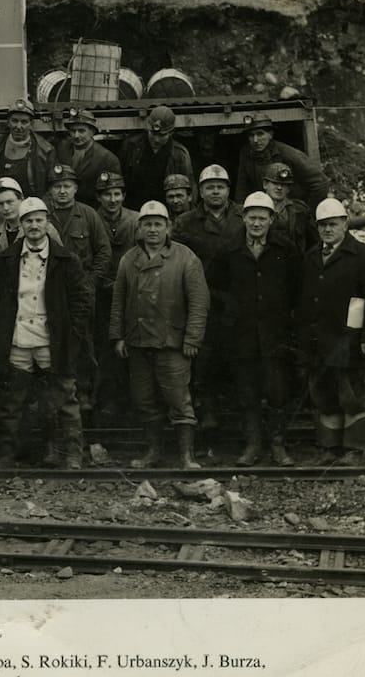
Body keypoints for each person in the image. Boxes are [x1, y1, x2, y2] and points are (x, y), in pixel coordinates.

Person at [0, 197, 93, 468]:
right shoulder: (5, 260)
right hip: (18, 339)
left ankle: (70, 455)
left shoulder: (66, 259)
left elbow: (82, 302)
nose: (34, 225)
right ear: (20, 225)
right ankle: (6, 456)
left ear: (47, 223)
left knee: (62, 399)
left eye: (39, 220)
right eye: (28, 221)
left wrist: (72, 336)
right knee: (12, 402)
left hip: (52, 342)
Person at [110, 200, 210, 470]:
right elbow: (118, 300)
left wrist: (192, 339)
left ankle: (187, 456)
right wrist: (118, 336)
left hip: (172, 343)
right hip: (138, 341)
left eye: (158, 224)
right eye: (147, 224)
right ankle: (153, 452)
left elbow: (199, 302)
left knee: (179, 399)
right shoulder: (129, 259)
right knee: (144, 399)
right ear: (139, 228)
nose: (152, 229)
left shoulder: (185, 257)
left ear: (168, 227)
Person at [296, 198, 365, 465]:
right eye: (322, 225)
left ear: (345, 224)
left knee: (351, 395)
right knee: (323, 394)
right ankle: (329, 447)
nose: (327, 229)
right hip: (318, 341)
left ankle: (353, 449)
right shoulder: (311, 257)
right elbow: (304, 302)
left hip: (349, 341)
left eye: (333, 224)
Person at [213, 192, 302, 466]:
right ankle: (252, 445)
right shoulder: (229, 249)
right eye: (252, 217)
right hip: (242, 336)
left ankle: (277, 446)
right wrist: (228, 314)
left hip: (276, 336)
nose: (256, 223)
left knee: (277, 391)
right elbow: (214, 288)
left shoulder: (285, 249)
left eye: (262, 218)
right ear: (243, 218)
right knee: (247, 392)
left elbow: (299, 290)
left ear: (271, 219)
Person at [173, 164, 246, 431]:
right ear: (200, 192)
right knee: (202, 359)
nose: (215, 191)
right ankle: (207, 412)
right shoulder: (185, 222)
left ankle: (237, 416)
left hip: (237, 298)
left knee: (238, 357)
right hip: (200, 300)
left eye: (220, 186)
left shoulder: (242, 217)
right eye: (209, 187)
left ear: (228, 190)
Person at [43, 163, 110, 409]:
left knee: (84, 342)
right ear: (50, 190)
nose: (62, 191)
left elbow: (103, 252)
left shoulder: (88, 215)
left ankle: (85, 393)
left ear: (75, 189)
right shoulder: (42, 214)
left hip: (81, 294)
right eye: (57, 186)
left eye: (67, 186)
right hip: (49, 292)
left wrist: (90, 284)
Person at [93, 171, 140, 419]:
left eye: (117, 194)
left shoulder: (136, 220)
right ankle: (107, 400)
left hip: (132, 293)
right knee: (105, 347)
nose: (113, 199)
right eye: (107, 194)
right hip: (101, 294)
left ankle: (133, 401)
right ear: (99, 197)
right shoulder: (91, 218)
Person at [234, 113, 328, 211]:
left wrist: (308, 213)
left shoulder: (288, 154)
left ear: (270, 134)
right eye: (251, 135)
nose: (255, 140)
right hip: (265, 210)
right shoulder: (246, 153)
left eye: (260, 134)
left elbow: (321, 183)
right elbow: (242, 188)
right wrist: (240, 214)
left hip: (291, 211)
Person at [116, 105, 193, 211]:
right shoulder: (131, 147)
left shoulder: (180, 154)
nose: (156, 140)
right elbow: (119, 179)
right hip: (133, 208)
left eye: (162, 135)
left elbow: (189, 189)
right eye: (153, 134)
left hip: (167, 210)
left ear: (171, 133)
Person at [0, 98, 53, 197]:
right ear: (8, 122)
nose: (18, 126)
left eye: (24, 122)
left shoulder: (45, 150)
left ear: (31, 124)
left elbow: (51, 186)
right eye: (14, 121)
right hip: (1, 204)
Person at [55, 107, 121, 208]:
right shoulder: (61, 149)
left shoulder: (107, 159)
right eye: (73, 131)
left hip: (92, 210)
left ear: (92, 132)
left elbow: (111, 193)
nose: (76, 135)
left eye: (81, 131)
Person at [0, 176, 62, 257]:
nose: (5, 208)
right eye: (0, 204)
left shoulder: (45, 229)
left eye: (9, 202)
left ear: (21, 199)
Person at [261, 162, 318, 253]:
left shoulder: (300, 210)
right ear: (265, 184)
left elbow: (314, 242)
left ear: (288, 188)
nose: (279, 187)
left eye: (284, 184)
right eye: (275, 183)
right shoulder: (255, 208)